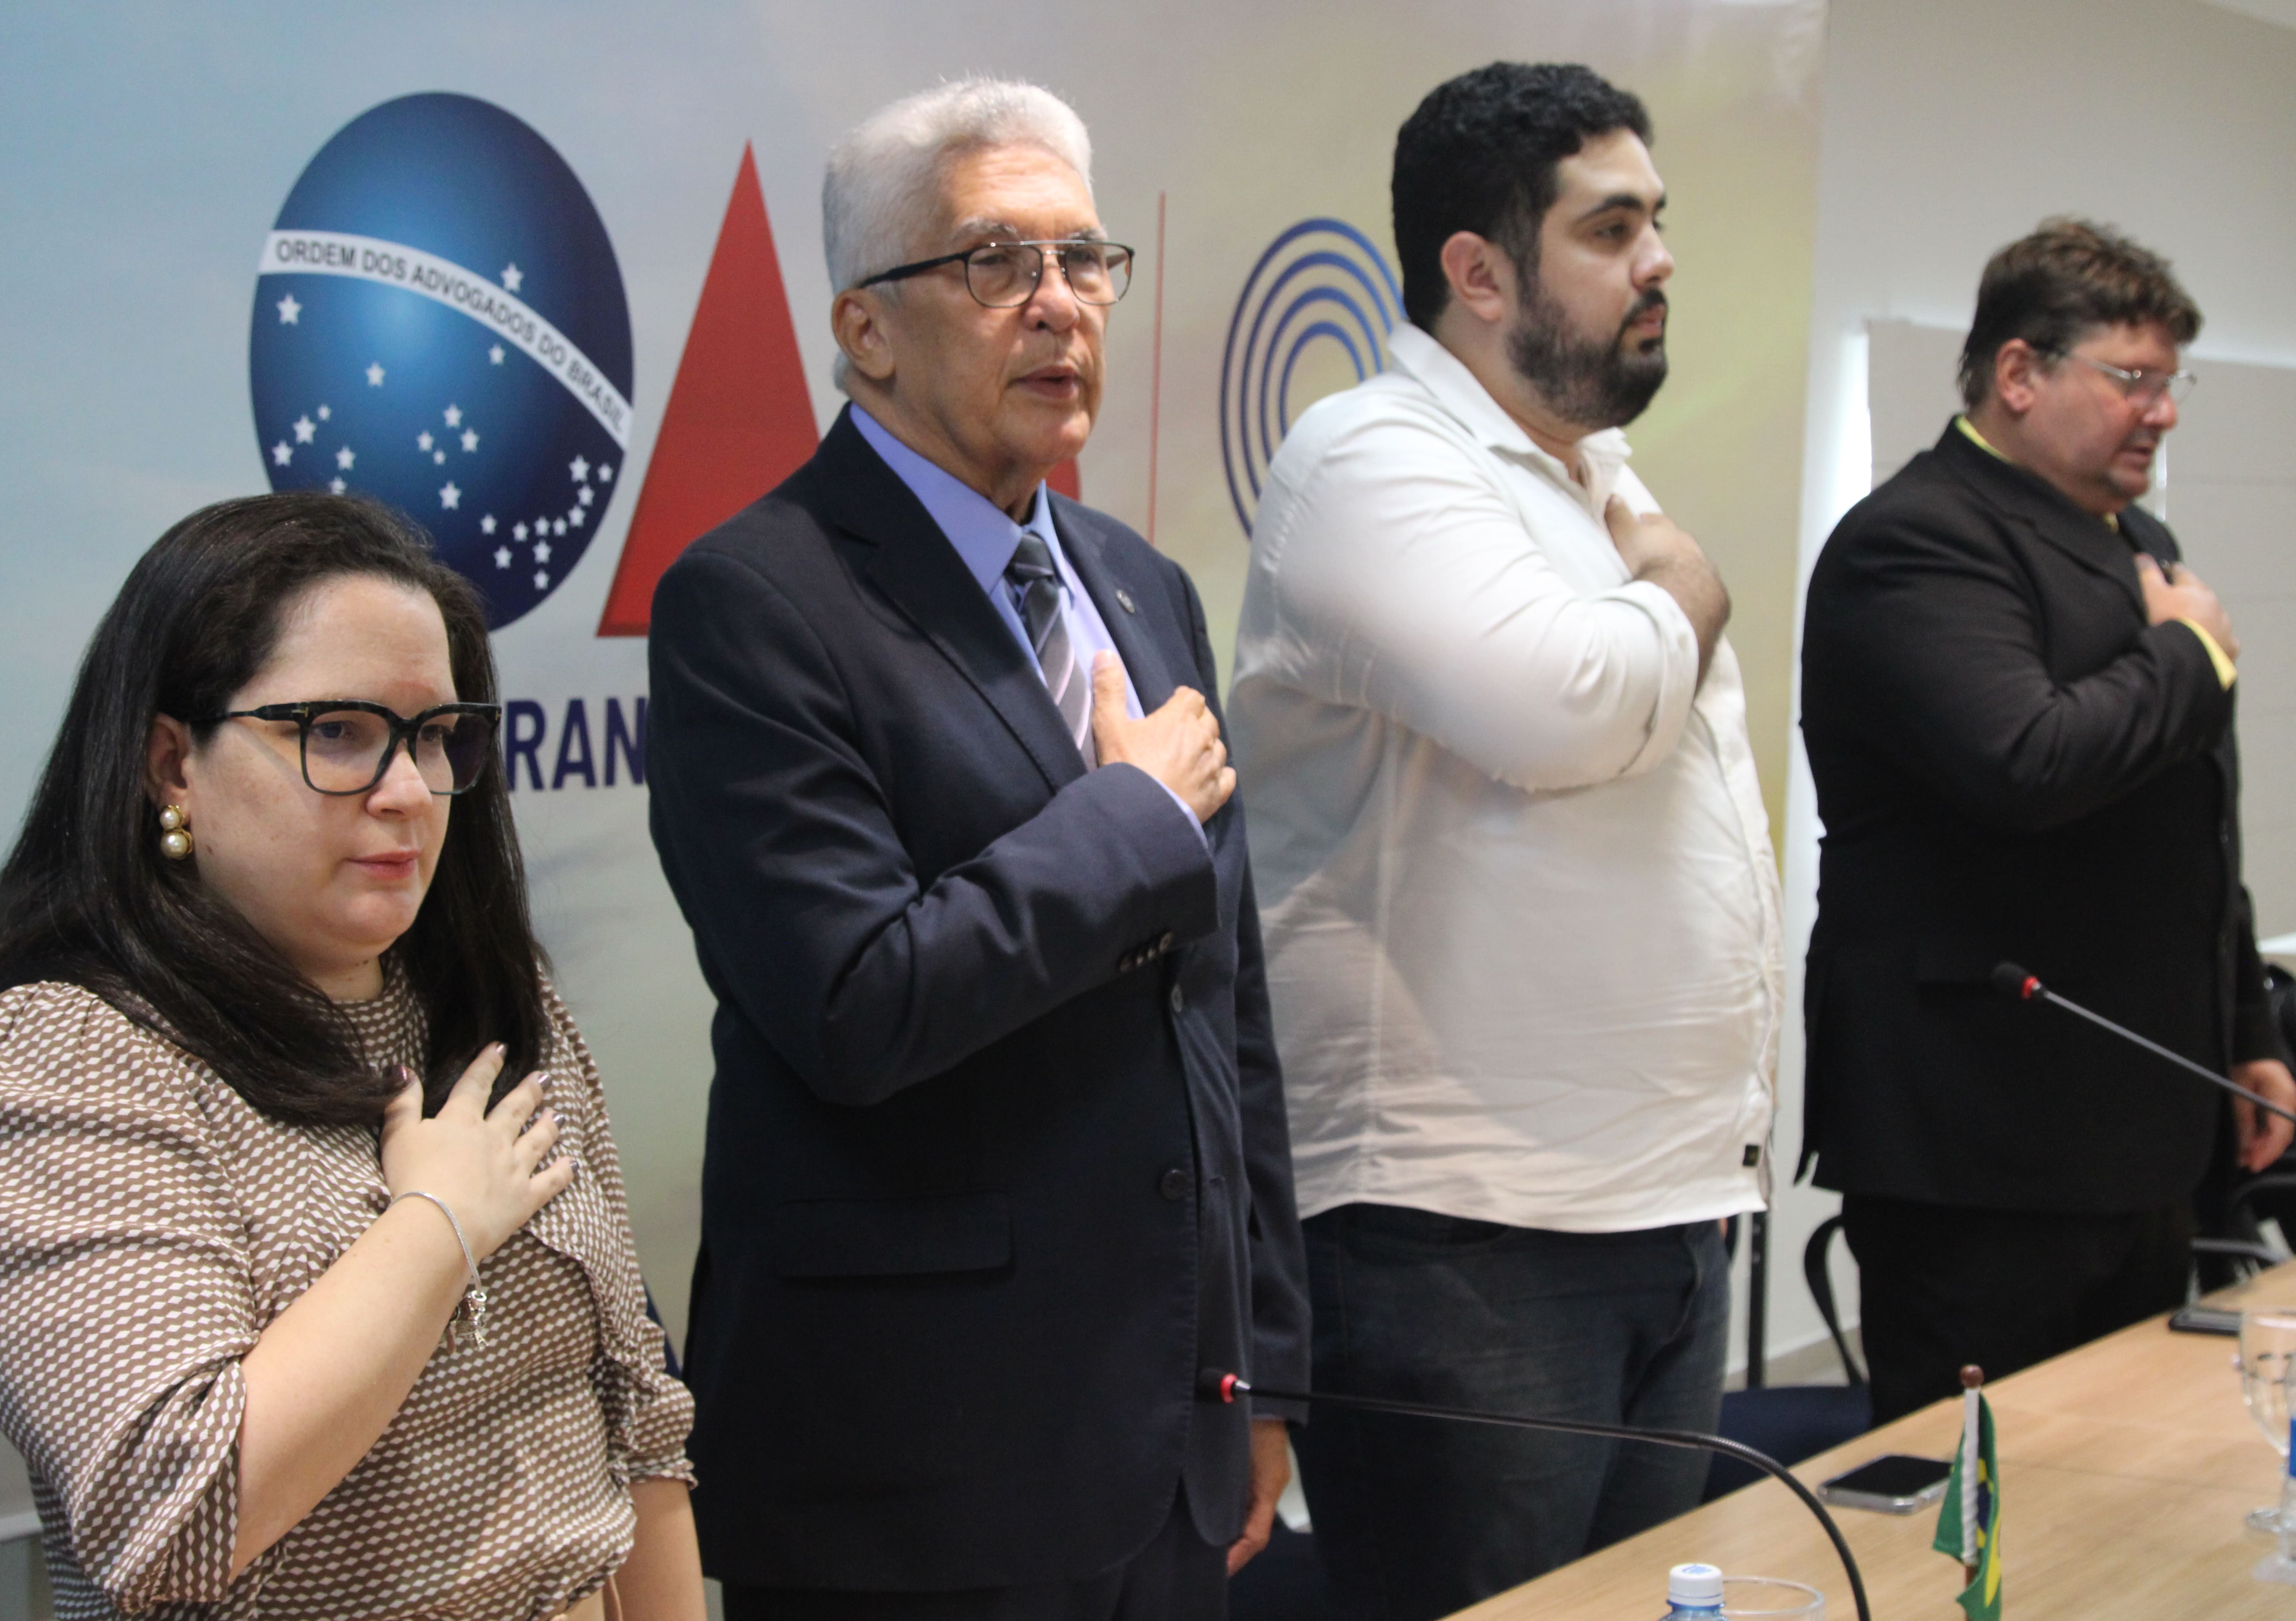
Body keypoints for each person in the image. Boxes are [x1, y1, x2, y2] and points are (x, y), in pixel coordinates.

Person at [646, 77, 1308, 1620]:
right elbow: (855, 1002)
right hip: (919, 1467)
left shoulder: (1141, 586)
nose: (1059, 303)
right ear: (866, 329)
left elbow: (1226, 1013)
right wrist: (1132, 820)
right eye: (996, 262)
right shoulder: (752, 602)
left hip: (1171, 1434)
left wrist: (1261, 1366)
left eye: (1084, 260)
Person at [0, 494, 705, 1621]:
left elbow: (637, 1422)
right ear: (173, 764)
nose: (408, 792)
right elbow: (178, 1517)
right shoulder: (67, 1066)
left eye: (435, 736)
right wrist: (435, 1224)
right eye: (337, 733)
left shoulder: (489, 1002)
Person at [1228, 62, 1781, 1619]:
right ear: (1476, 273)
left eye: (1656, 221)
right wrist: (1688, 581)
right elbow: (1571, 711)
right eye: (1610, 230)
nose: (1659, 261)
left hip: (1656, 1203)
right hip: (1467, 1234)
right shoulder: (1372, 455)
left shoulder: (1591, 471)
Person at [1801, 219, 2296, 1423]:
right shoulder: (1917, 539)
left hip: (2143, 1118)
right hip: (1984, 1142)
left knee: (2127, 1479)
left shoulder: (2142, 543)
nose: (2162, 412)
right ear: (2019, 373)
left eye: (2171, 383)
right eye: (2132, 379)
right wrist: (2188, 656)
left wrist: (2240, 1028)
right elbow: (2026, 762)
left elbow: (2195, 820)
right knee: (1988, 1495)